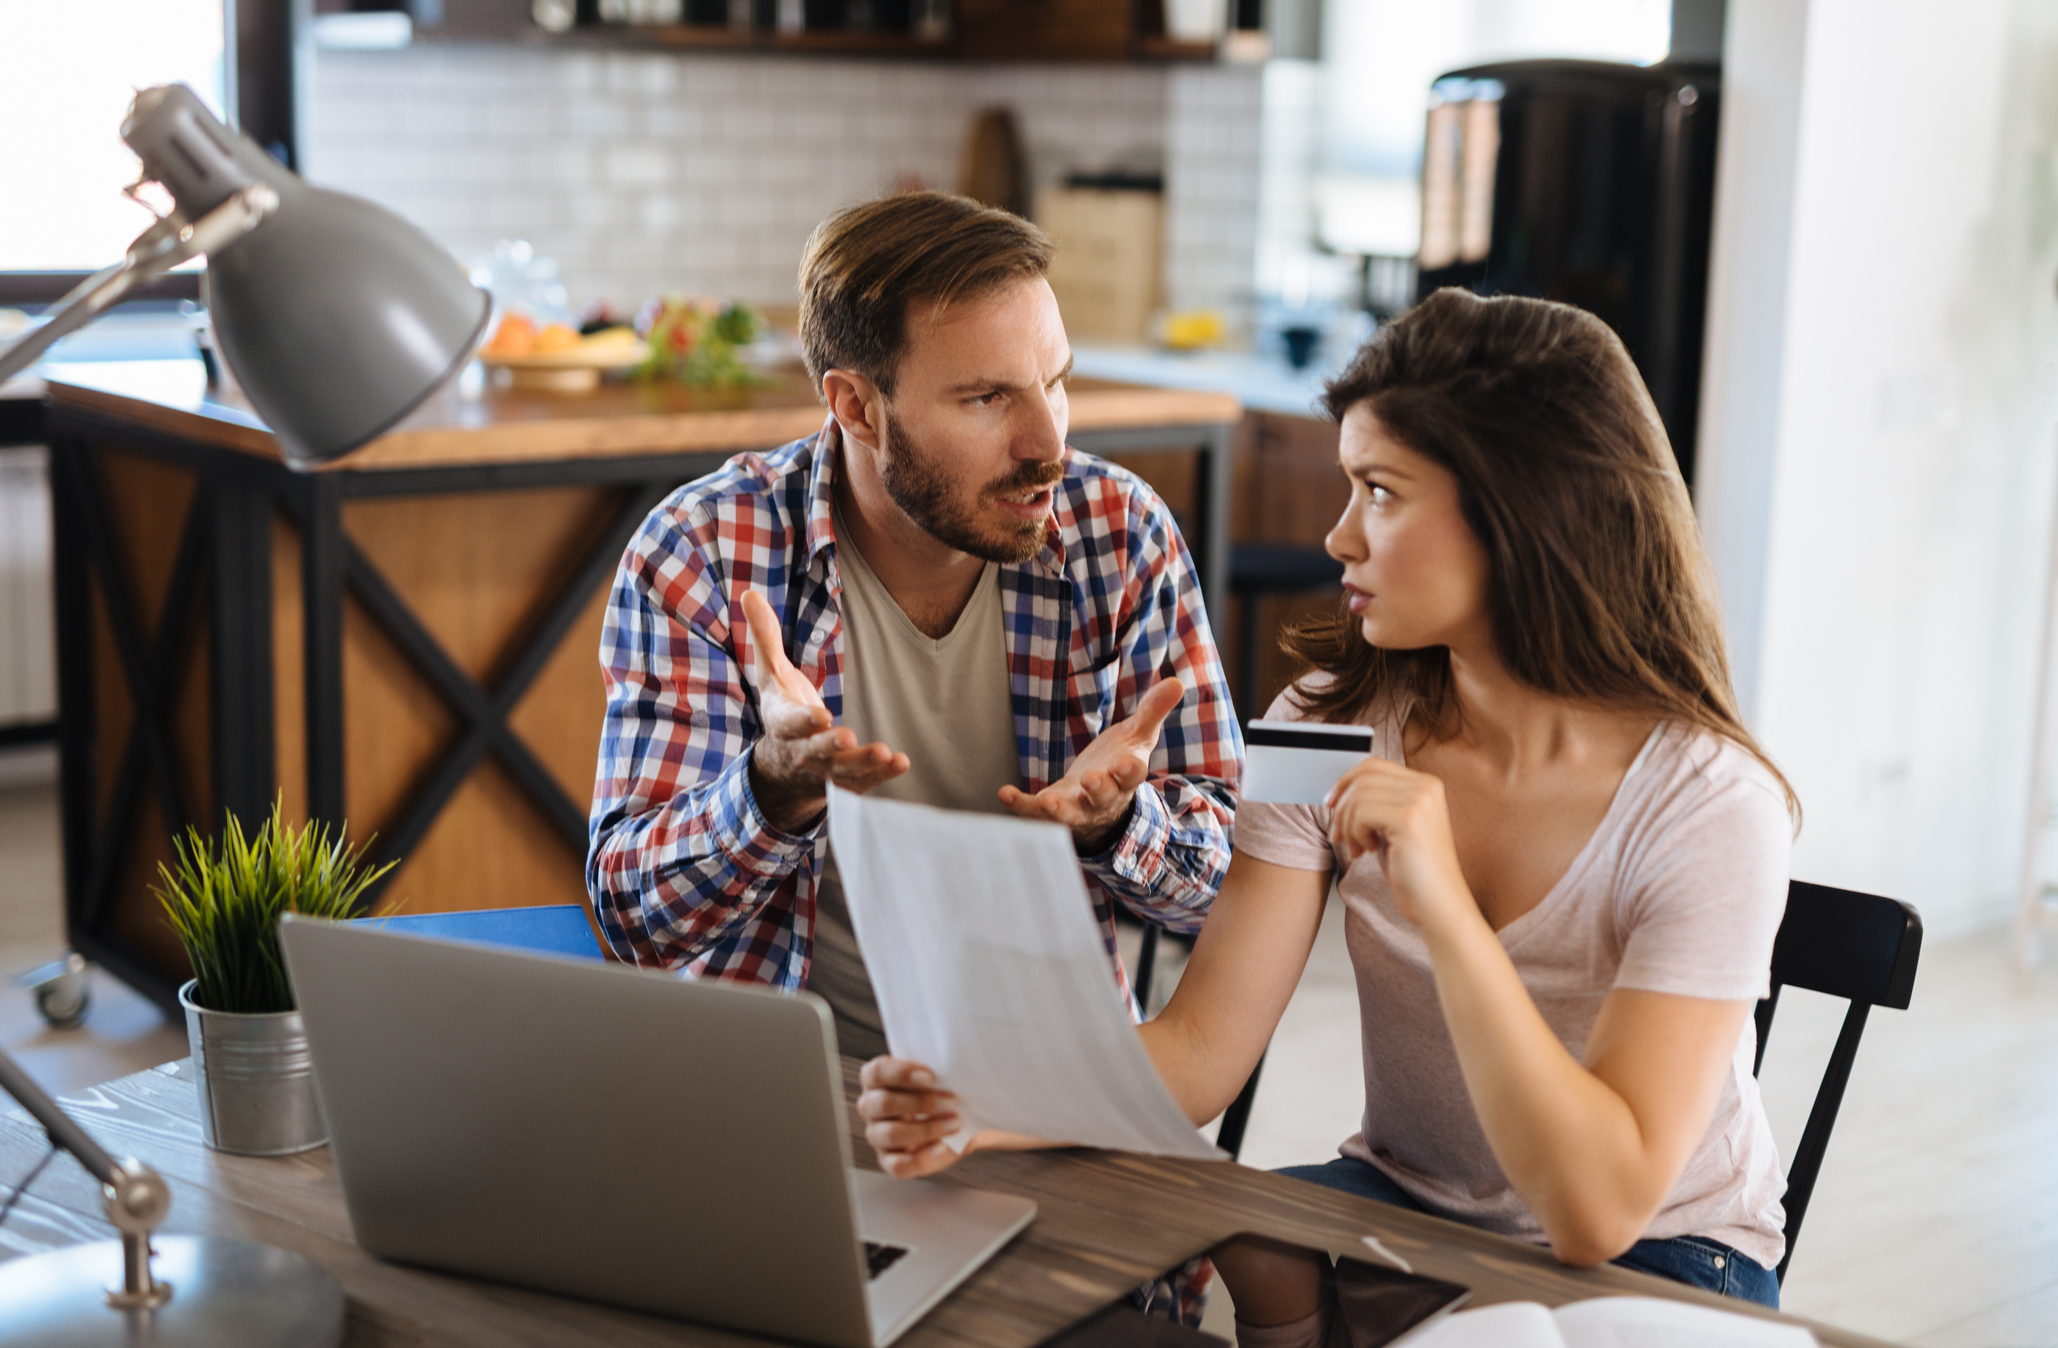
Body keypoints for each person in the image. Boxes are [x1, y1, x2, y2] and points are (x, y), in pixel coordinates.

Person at [856, 289, 1799, 1337]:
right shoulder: (1326, 725)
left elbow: (1595, 1207)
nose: (1336, 533)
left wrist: (1440, 902)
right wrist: (989, 1104)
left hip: (1660, 1249)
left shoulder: (1708, 805)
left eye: (1381, 492)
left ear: (1521, 511)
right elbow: (1208, 1045)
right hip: (1411, 1211)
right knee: (1253, 1234)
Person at [586, 191, 1242, 1058]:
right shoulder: (703, 550)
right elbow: (635, 922)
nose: (1047, 440)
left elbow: (1234, 888)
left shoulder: (1118, 536)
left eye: (1056, 383)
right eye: (985, 399)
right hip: (786, 1091)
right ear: (856, 407)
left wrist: (1116, 826)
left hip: (1054, 1088)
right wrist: (770, 791)